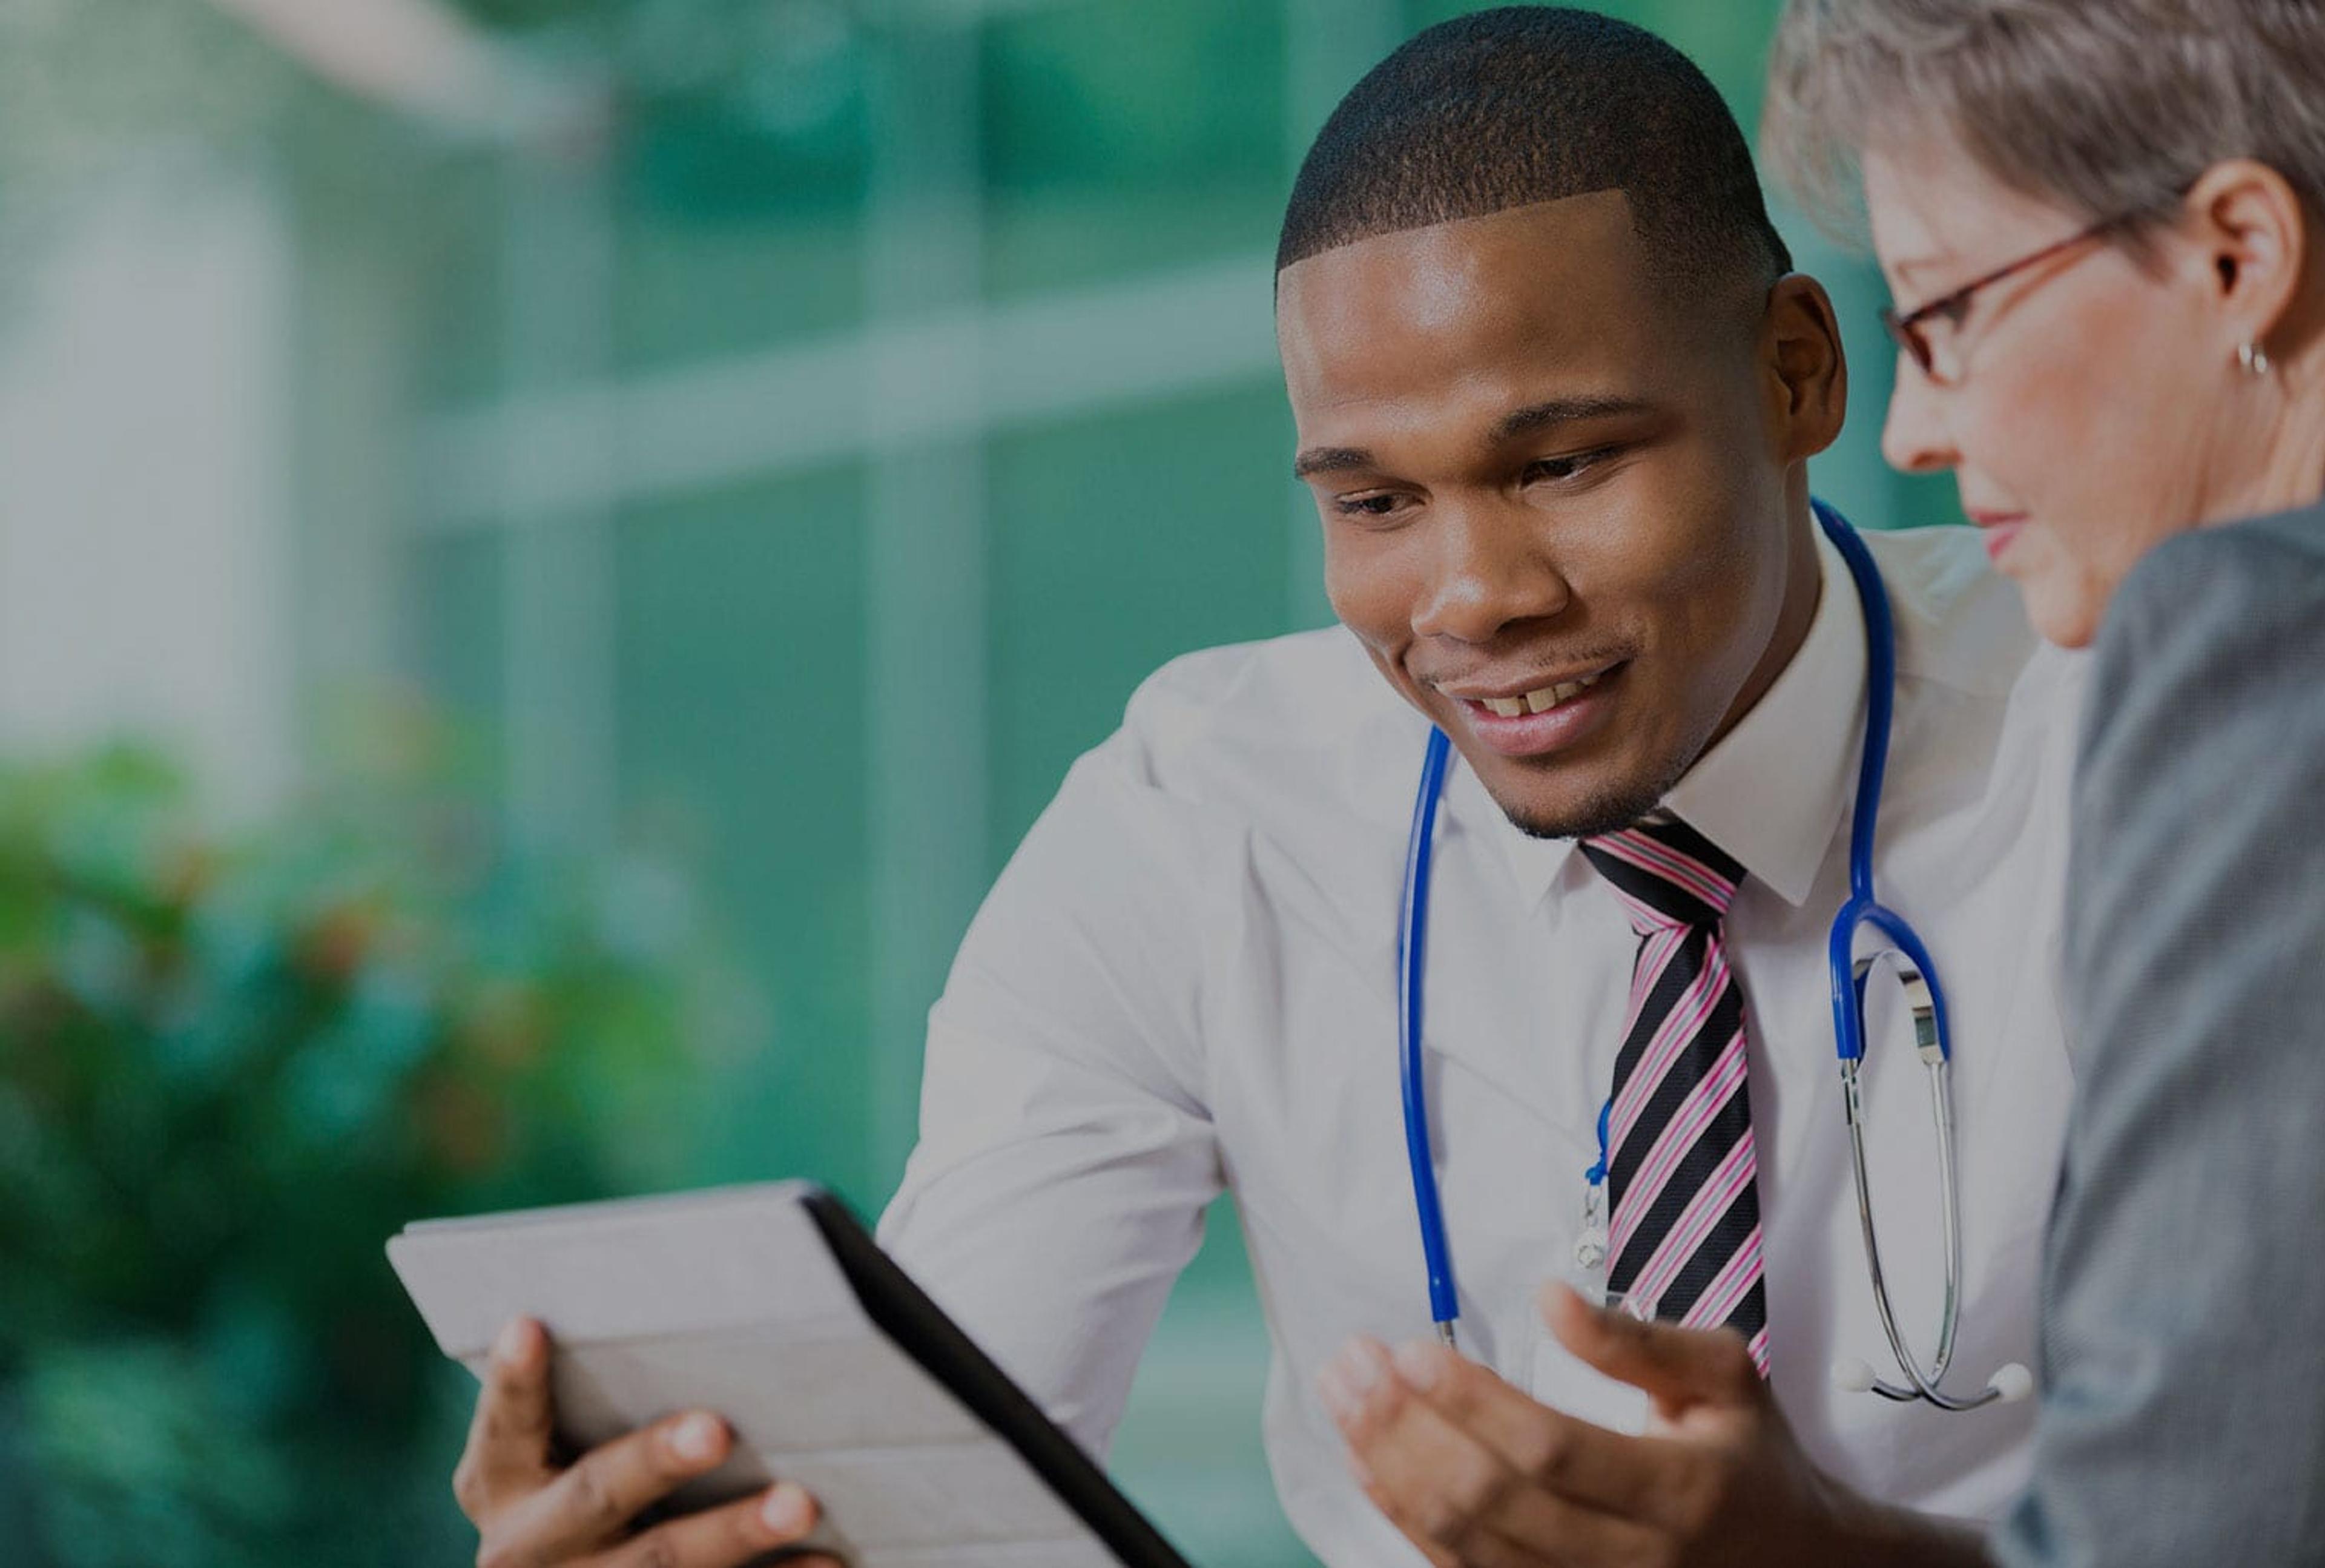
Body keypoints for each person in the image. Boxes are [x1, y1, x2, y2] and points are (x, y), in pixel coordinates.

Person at [447, 12, 2092, 1567]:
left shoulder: (2118, 739)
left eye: (1565, 463)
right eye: (1375, 503)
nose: (1471, 598)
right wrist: (711, 1528)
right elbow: (940, 1495)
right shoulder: (1202, 818)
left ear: (1801, 373)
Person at [1328, 2, 2325, 1565]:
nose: (1917, 427)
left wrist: (1807, 1554)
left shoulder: (2249, 643)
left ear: (2237, 259)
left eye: (1945, 322)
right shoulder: (1212, 792)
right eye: (1377, 499)